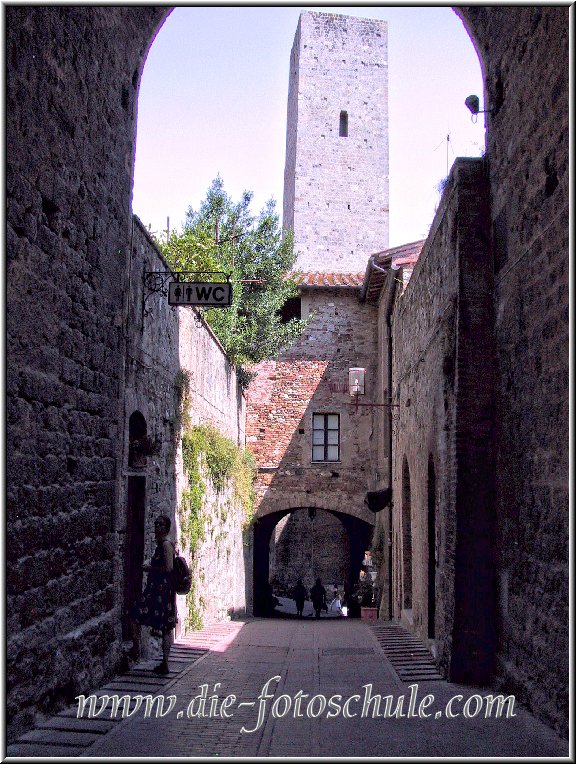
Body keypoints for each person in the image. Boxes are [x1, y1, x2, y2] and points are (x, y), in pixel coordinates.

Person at [130, 514, 176, 675]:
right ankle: (157, 660)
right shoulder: (161, 545)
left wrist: (150, 569)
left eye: (161, 524)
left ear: (166, 528)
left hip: (161, 592)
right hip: (157, 591)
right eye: (156, 523)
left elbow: (169, 569)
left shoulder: (165, 545)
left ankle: (163, 662)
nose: (157, 526)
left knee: (163, 626)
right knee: (141, 617)